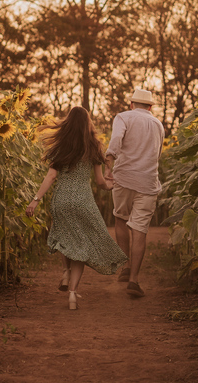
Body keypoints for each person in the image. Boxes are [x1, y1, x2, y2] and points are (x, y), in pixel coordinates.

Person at [25, 106, 127, 310]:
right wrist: (110, 185)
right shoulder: (93, 147)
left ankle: (65, 271)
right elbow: (99, 182)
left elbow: (51, 176)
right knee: (80, 248)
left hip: (61, 200)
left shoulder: (62, 146)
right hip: (83, 202)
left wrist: (35, 199)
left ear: (68, 122)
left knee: (65, 236)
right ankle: (72, 294)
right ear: (88, 123)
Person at [105, 88, 164, 299]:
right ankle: (134, 280)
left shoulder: (123, 117)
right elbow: (157, 154)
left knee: (120, 218)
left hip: (124, 178)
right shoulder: (158, 124)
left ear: (132, 104)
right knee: (140, 228)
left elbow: (116, 140)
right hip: (148, 181)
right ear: (150, 107)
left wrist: (108, 164)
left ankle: (126, 266)